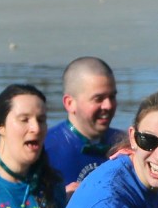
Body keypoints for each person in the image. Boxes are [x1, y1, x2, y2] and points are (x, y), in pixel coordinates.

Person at [43, 56, 122, 195]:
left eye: (112, 97)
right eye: (98, 99)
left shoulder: (126, 146)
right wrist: (59, 200)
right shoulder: (43, 150)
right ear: (69, 103)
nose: (108, 105)